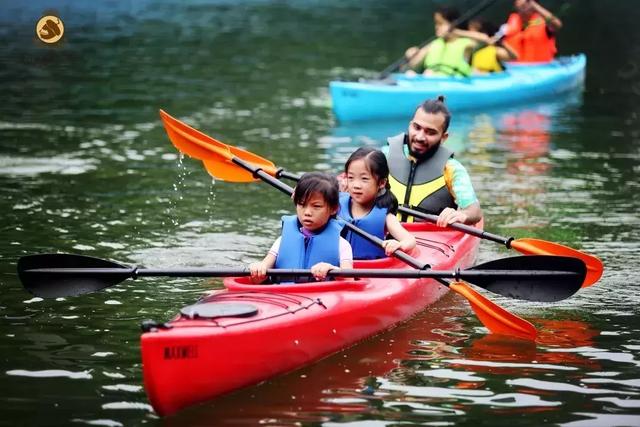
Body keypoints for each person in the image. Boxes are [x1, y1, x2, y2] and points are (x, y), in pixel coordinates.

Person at [384, 96, 483, 226]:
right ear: (410, 125)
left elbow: (474, 212)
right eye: (417, 127)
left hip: (432, 238)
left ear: (443, 137)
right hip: (386, 232)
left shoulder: (451, 169)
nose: (420, 137)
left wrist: (461, 215)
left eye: (430, 132)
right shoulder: (384, 156)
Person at [249, 172, 353, 283]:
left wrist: (333, 270)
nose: (307, 212)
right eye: (302, 204)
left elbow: (349, 280)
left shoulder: (342, 245)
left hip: (323, 297)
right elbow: (261, 272)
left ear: (333, 209)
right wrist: (258, 270)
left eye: (316, 206)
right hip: (285, 295)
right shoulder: (282, 241)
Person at [340, 147, 416, 260]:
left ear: (381, 183)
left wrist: (399, 245)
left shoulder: (384, 214)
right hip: (336, 266)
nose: (356, 185)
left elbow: (410, 240)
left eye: (364, 179)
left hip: (370, 271)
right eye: (351, 178)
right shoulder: (335, 204)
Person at [404, 6, 476, 77]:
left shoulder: (467, 44)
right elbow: (411, 65)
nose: (437, 27)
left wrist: (454, 31)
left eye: (440, 23)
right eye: (436, 23)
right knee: (409, 73)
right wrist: (410, 57)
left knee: (429, 74)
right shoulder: (433, 44)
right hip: (431, 82)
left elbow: (485, 39)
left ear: (453, 24)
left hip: (455, 84)